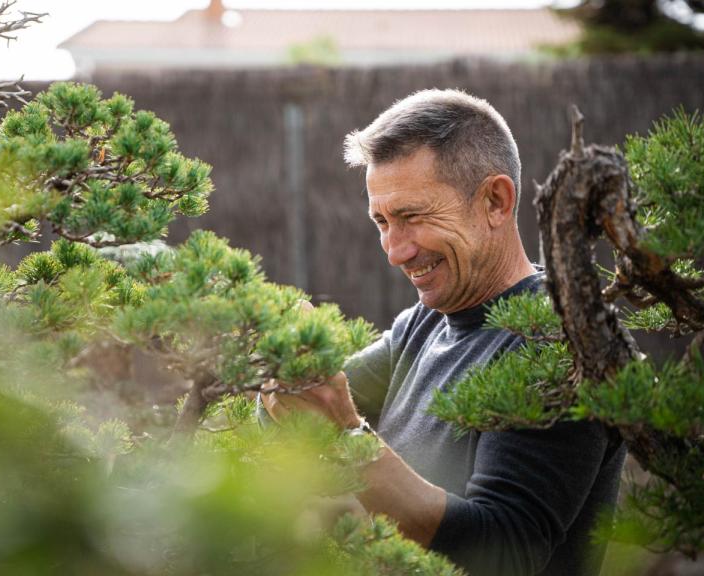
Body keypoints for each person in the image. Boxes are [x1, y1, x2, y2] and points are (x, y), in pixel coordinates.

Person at [261, 89, 625, 576]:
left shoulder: (558, 340)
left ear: (495, 201)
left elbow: (502, 553)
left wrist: (348, 439)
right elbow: (293, 419)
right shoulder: (424, 324)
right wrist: (284, 371)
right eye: (382, 221)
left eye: (412, 217)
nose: (395, 251)